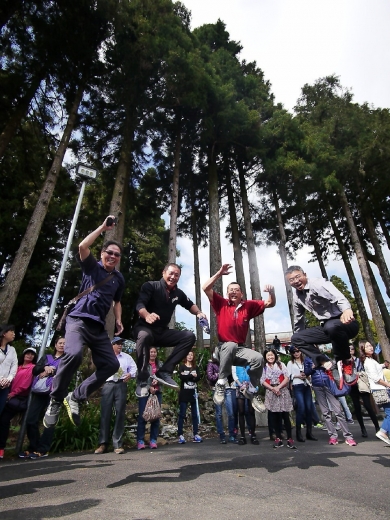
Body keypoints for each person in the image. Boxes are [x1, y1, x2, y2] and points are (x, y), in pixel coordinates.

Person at [43, 216, 125, 429]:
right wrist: (103, 227)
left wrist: (118, 319)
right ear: (102, 254)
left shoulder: (119, 279)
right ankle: (56, 399)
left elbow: (117, 301)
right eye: (109, 253)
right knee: (74, 354)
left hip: (98, 327)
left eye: (117, 254)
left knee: (111, 365)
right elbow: (82, 245)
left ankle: (76, 396)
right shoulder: (92, 268)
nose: (113, 256)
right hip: (78, 320)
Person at [202, 263, 275, 413]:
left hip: (240, 349)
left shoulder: (249, 306)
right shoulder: (221, 303)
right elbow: (205, 288)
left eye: (236, 290)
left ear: (241, 293)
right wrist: (219, 274)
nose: (233, 292)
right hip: (223, 347)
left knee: (258, 358)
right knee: (230, 345)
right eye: (231, 290)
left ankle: (252, 390)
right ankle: (221, 384)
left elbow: (270, 303)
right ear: (227, 293)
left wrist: (272, 292)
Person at [134, 263, 206, 397]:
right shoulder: (150, 286)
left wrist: (199, 313)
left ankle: (164, 371)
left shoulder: (178, 293)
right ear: (163, 273)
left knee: (189, 336)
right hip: (145, 328)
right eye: (171, 273)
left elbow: (189, 304)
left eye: (177, 275)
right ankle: (143, 378)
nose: (173, 277)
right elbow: (140, 304)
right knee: (144, 335)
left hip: (162, 332)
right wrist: (147, 315)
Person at [286, 266, 359, 384]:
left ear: (305, 274)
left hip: (347, 322)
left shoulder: (317, 284)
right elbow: (298, 320)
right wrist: (300, 340)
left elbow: (338, 296)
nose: (296, 281)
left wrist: (347, 310)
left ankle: (346, 361)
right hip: (327, 328)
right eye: (291, 280)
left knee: (331, 326)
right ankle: (326, 363)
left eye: (298, 277)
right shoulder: (297, 297)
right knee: (296, 338)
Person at [20, 337, 66, 459]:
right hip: (40, 392)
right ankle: (33, 446)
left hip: (55, 392)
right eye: (60, 343)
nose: (62, 345)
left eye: (65, 343)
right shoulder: (47, 357)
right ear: (55, 345)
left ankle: (43, 449)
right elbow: (35, 370)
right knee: (31, 419)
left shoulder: (67, 359)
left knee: (49, 422)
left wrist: (51, 371)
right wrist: (44, 367)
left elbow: (66, 372)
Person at [95, 337, 137, 455]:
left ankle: (117, 444)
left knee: (120, 413)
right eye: (117, 344)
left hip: (121, 385)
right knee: (105, 414)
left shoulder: (127, 357)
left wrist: (130, 374)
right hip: (108, 385)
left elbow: (134, 369)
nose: (120, 346)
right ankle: (103, 444)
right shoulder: (105, 356)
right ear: (112, 345)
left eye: (121, 344)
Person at [303, 355, 357, 447]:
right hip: (317, 386)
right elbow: (306, 372)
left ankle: (348, 436)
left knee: (338, 410)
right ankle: (333, 436)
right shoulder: (307, 359)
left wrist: (324, 364)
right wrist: (313, 366)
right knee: (325, 412)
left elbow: (332, 366)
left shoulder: (323, 355)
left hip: (329, 384)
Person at [0, 347, 37, 459]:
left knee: (3, 421)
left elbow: (25, 385)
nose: (29, 355)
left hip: (17, 398)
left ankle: (1, 449)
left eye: (32, 354)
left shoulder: (32, 368)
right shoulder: (17, 366)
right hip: (6, 393)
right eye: (27, 353)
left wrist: (12, 394)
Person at [260, 349, 296, 449]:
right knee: (275, 417)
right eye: (268, 355)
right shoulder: (264, 367)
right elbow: (262, 380)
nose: (270, 357)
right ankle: (278, 438)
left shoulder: (281, 365)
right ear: (265, 357)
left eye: (272, 355)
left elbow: (287, 377)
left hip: (282, 391)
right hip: (271, 392)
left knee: (285, 415)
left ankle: (290, 438)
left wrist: (278, 387)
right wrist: (273, 388)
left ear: (275, 355)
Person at [360, 340, 390, 446]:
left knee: (389, 412)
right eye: (367, 346)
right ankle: (383, 432)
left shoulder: (371, 360)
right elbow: (375, 378)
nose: (370, 347)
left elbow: (377, 368)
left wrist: (384, 365)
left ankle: (385, 432)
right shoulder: (368, 362)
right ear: (363, 349)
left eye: (370, 345)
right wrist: (387, 385)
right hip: (380, 389)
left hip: (381, 388)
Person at [348, 344, 379, 437]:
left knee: (368, 406)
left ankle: (377, 427)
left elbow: (365, 370)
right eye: (349, 349)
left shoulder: (359, 360)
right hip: (352, 386)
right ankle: (363, 429)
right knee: (357, 407)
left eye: (352, 349)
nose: (351, 350)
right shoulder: (344, 361)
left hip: (361, 384)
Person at [287, 346, 316, 442]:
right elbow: (288, 375)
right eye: (294, 352)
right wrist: (297, 375)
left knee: (309, 408)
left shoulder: (306, 361)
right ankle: (298, 433)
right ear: (291, 353)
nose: (296, 353)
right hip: (297, 385)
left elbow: (311, 372)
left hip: (306, 385)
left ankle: (309, 432)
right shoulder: (290, 363)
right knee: (301, 408)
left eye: (298, 351)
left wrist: (307, 375)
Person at [206, 353, 238, 444]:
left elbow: (232, 376)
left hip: (228, 389)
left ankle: (232, 434)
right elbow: (210, 377)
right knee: (219, 414)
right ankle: (221, 435)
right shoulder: (211, 364)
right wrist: (219, 374)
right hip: (217, 389)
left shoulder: (228, 363)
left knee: (231, 413)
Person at [137, 347, 163, 450]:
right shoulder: (142, 364)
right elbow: (139, 379)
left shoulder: (160, 364)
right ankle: (140, 441)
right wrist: (149, 387)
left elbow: (165, 376)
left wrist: (158, 381)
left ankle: (153, 440)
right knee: (143, 416)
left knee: (155, 417)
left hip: (157, 393)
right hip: (144, 393)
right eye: (150, 352)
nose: (152, 354)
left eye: (154, 352)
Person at [177, 350, 202, 444]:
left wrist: (188, 376)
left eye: (192, 354)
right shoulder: (182, 366)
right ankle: (180, 434)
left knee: (195, 414)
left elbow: (198, 377)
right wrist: (191, 375)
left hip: (193, 392)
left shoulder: (196, 367)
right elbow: (181, 377)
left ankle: (196, 433)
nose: (190, 356)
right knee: (182, 414)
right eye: (188, 354)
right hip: (184, 392)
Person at [232, 365, 259, 445]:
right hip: (239, 387)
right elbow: (234, 374)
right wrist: (240, 384)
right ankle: (242, 436)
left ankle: (253, 435)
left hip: (251, 386)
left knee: (251, 411)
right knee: (241, 411)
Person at [0, 324, 18, 416]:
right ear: (4, 333)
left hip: (5, 386)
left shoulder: (12, 350)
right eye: (12, 331)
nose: (14, 334)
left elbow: (14, 366)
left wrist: (9, 379)